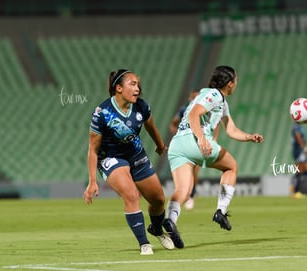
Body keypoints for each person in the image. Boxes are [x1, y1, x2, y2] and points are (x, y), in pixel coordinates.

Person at [164, 65, 264, 248]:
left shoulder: (219, 101)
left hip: (177, 145)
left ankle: (170, 220)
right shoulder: (215, 95)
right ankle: (221, 211)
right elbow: (195, 114)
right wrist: (201, 139)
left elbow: (231, 130)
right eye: (235, 80)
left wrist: (250, 136)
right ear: (229, 83)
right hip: (195, 142)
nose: (236, 84)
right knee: (231, 167)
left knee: (183, 191)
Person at [83, 69, 174, 255]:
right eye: (132, 84)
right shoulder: (102, 113)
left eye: (138, 85)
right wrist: (92, 181)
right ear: (118, 88)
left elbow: (151, 127)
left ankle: (156, 229)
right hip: (111, 157)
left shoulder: (141, 106)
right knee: (132, 195)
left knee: (158, 200)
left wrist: (160, 145)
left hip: (136, 154)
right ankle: (144, 244)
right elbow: (92, 149)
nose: (137, 88)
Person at [169, 89, 200, 210]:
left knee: (195, 171)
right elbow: (173, 123)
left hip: (197, 143)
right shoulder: (184, 109)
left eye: (196, 97)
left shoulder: (202, 108)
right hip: (184, 143)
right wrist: (176, 133)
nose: (193, 99)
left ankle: (191, 196)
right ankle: (185, 194)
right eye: (192, 97)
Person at [291, 123, 307, 199]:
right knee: (300, 171)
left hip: (301, 151)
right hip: (298, 151)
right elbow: (298, 137)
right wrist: (305, 149)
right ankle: (296, 192)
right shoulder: (296, 127)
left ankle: (295, 188)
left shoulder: (300, 126)